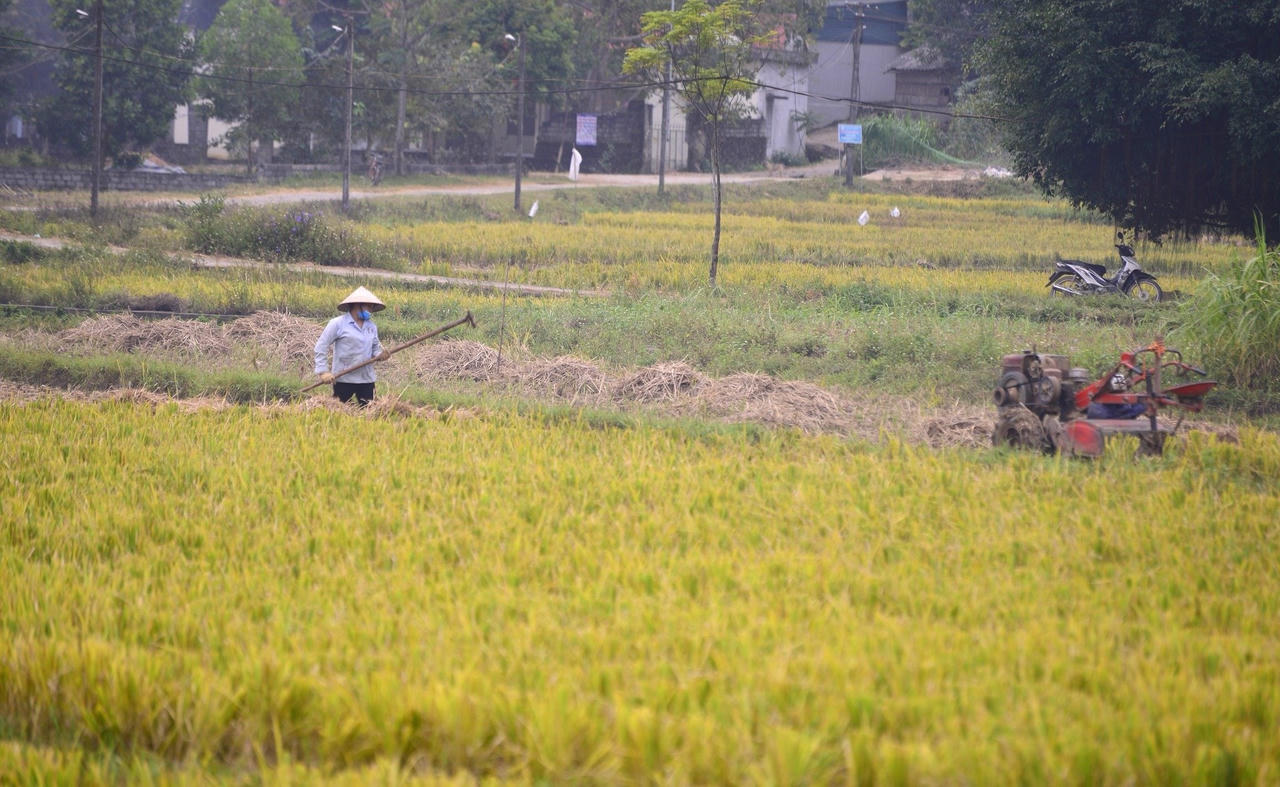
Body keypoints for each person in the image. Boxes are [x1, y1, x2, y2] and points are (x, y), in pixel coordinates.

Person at [314, 286, 389, 405]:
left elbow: (375, 350)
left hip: (366, 378)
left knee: (370, 412)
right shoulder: (338, 324)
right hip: (344, 377)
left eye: (372, 307)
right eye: (368, 306)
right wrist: (323, 372)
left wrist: (381, 355)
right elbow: (321, 346)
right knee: (338, 412)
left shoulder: (371, 327)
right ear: (356, 305)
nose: (370, 310)